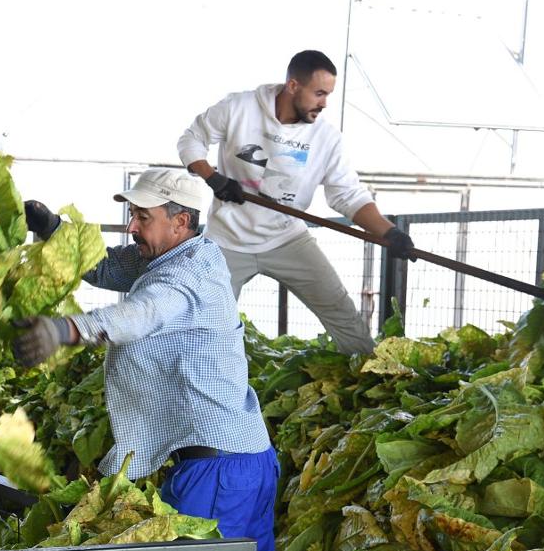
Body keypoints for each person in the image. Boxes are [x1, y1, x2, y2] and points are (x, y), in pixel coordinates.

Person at [17, 169, 308, 551]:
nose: (132, 226)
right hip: (239, 462)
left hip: (217, 472)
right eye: (132, 215)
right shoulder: (165, 258)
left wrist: (67, 329)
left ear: (181, 221)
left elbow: (140, 314)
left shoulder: (186, 277)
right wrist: (54, 229)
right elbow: (104, 268)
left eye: (143, 217)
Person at [177, 49, 416, 355]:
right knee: (199, 325)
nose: (324, 103)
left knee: (341, 310)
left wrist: (389, 233)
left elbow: (348, 195)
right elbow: (190, 139)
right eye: (318, 93)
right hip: (226, 241)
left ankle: (374, 374)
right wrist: (214, 178)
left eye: (328, 94)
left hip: (287, 238)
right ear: (293, 86)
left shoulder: (326, 138)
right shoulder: (239, 108)